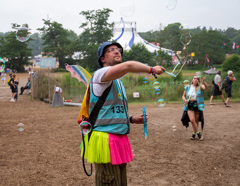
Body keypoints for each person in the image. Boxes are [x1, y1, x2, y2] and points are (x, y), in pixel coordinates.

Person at [81, 42, 165, 186]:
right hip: (105, 138)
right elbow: (128, 66)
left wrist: (131, 119)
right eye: (111, 50)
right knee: (108, 182)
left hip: (119, 137)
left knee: (120, 182)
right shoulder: (100, 74)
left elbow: (110, 110)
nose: (117, 51)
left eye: (118, 49)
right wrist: (151, 69)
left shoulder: (117, 81)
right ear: (102, 59)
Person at [182, 75, 208, 140]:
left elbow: (206, 87)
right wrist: (185, 100)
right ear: (192, 80)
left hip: (197, 104)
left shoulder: (200, 87)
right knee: (192, 120)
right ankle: (199, 133)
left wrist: (204, 81)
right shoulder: (187, 87)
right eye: (194, 78)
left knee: (196, 121)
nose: (195, 79)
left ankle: (193, 134)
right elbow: (183, 96)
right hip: (190, 105)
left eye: (197, 78)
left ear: (198, 80)